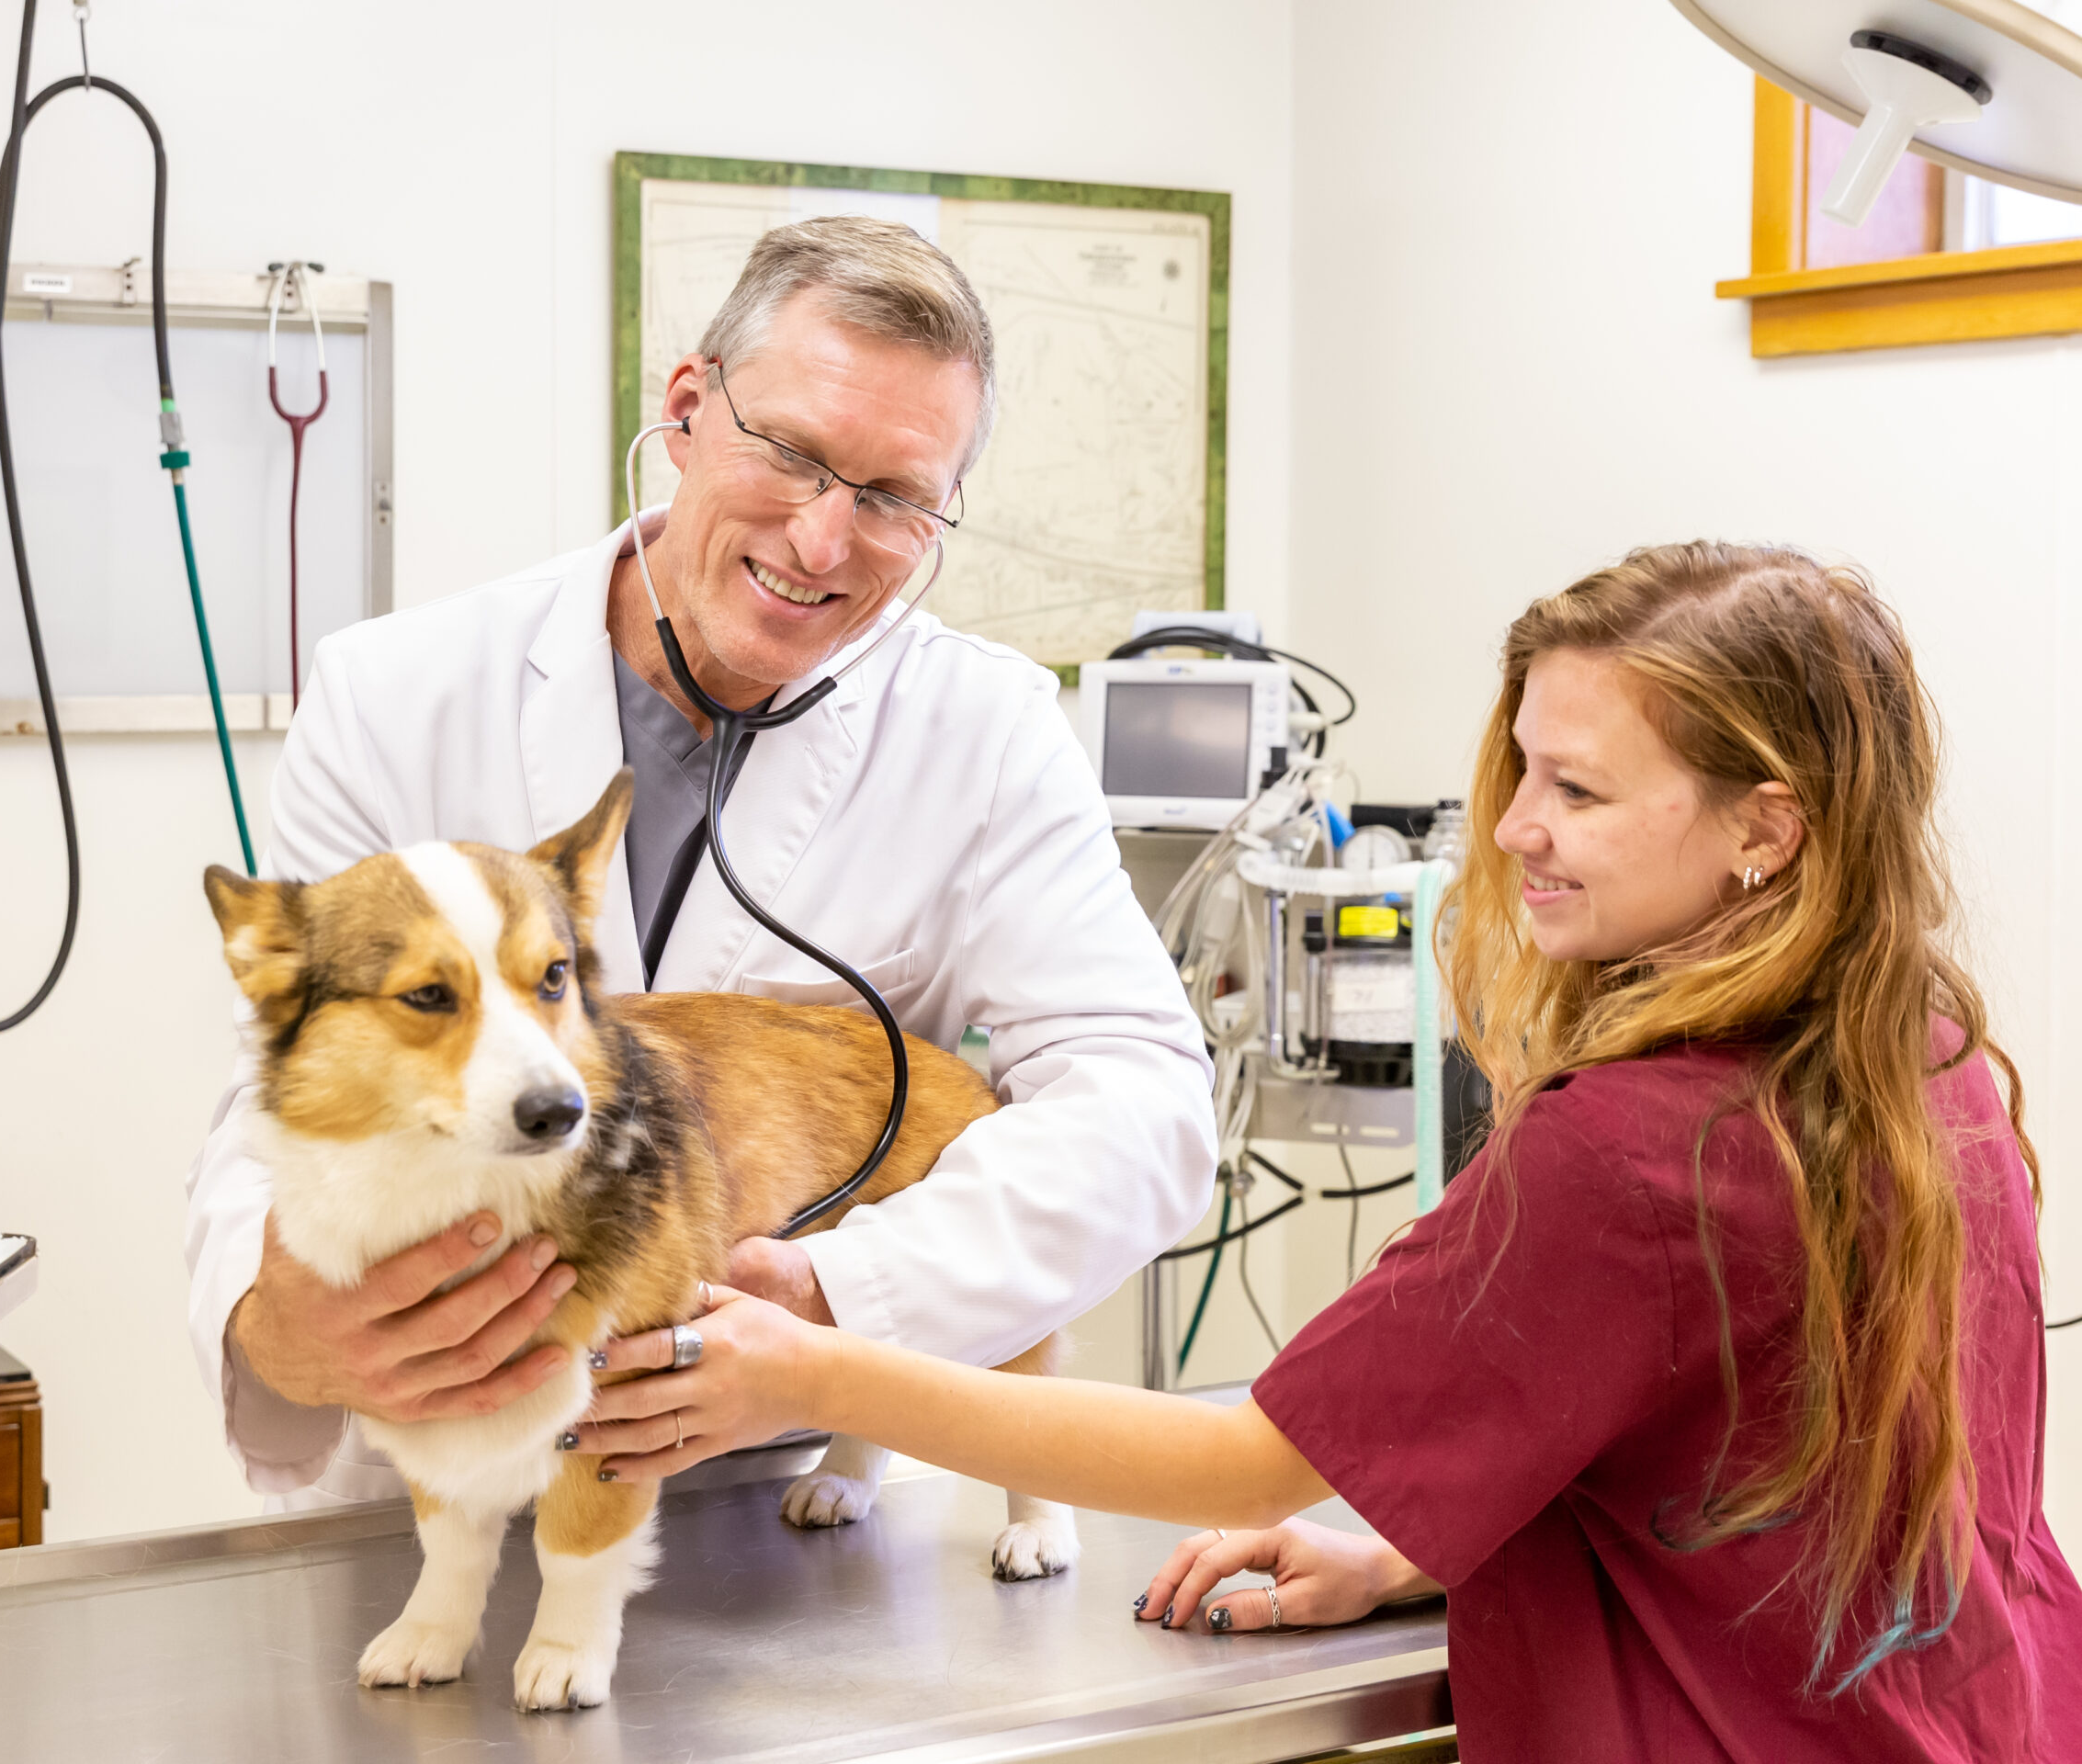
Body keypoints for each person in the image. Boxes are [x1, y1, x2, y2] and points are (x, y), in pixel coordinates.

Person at [574, 543, 2082, 1761]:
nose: (1510, 832)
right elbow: (1759, 1464)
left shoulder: (1629, 1154)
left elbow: (1240, 1460)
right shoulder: (1924, 1059)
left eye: (1579, 790)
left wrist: (807, 1367)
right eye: (1521, 772)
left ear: (1769, 827)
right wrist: (1424, 1550)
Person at [184, 216, 1218, 1506]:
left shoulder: (987, 730)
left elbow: (1146, 1109)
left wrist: (843, 1292)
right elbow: (275, 1089)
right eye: (792, 453)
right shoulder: (400, 692)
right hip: (444, 1466)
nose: (823, 543)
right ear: (687, 410)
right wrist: (269, 1324)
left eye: (894, 498)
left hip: (787, 1487)